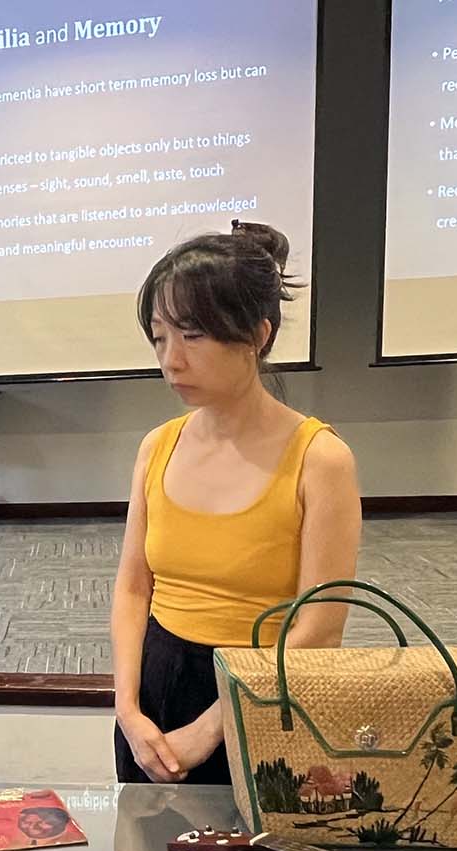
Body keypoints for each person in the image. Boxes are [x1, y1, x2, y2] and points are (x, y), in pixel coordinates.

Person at [112, 222, 361, 784]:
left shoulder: (320, 459)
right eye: (159, 337)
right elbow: (133, 587)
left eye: (193, 335)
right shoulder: (158, 446)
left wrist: (211, 729)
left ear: (257, 334)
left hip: (265, 696)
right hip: (157, 688)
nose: (170, 360)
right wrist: (128, 708)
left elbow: (319, 629)